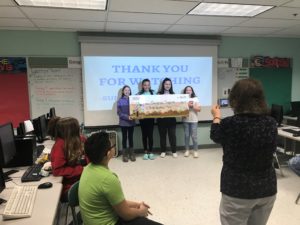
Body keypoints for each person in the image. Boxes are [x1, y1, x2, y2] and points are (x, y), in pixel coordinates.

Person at [210, 78, 277, 225]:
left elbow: (215, 135)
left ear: (235, 99)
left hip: (237, 189)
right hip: (267, 188)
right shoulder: (271, 123)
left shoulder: (230, 124)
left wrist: (216, 116)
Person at [79, 132, 163, 225]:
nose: (114, 147)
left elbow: (117, 203)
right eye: (113, 146)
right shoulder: (108, 179)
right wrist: (141, 212)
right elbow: (126, 214)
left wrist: (137, 205)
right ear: (108, 153)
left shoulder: (87, 169)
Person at [51, 117, 88, 202]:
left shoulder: (82, 139)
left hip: (84, 180)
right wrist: (81, 169)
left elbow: (89, 161)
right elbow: (57, 171)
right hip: (70, 187)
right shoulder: (60, 145)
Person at [157, 78, 177, 158]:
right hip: (161, 119)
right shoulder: (158, 94)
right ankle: (163, 151)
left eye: (169, 84)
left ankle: (174, 151)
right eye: (166, 84)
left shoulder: (174, 94)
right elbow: (156, 106)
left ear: (171, 85)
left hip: (171, 119)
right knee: (162, 135)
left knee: (172, 135)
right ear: (163, 85)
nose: (167, 85)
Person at [137, 79, 155, 160]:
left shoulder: (153, 93)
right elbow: (136, 106)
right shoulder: (139, 94)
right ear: (142, 86)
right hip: (142, 118)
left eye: (148, 85)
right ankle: (145, 152)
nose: (146, 86)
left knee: (150, 135)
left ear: (150, 85)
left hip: (151, 118)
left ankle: (151, 152)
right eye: (145, 85)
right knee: (144, 135)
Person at [117, 85, 136, 162]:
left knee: (131, 138)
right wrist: (127, 117)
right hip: (123, 122)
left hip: (132, 122)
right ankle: (124, 155)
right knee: (124, 138)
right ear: (123, 91)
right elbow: (119, 113)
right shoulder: (120, 101)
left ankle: (131, 154)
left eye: (128, 90)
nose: (127, 91)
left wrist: (135, 115)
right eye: (125, 90)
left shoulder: (133, 100)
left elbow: (136, 110)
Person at [182, 86, 201, 158]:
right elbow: (180, 109)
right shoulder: (182, 99)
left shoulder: (195, 99)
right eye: (187, 90)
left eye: (190, 90)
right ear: (185, 91)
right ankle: (187, 150)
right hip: (185, 120)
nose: (188, 91)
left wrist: (192, 106)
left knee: (194, 136)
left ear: (192, 91)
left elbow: (199, 109)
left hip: (194, 120)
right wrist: (186, 105)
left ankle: (195, 151)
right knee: (186, 136)